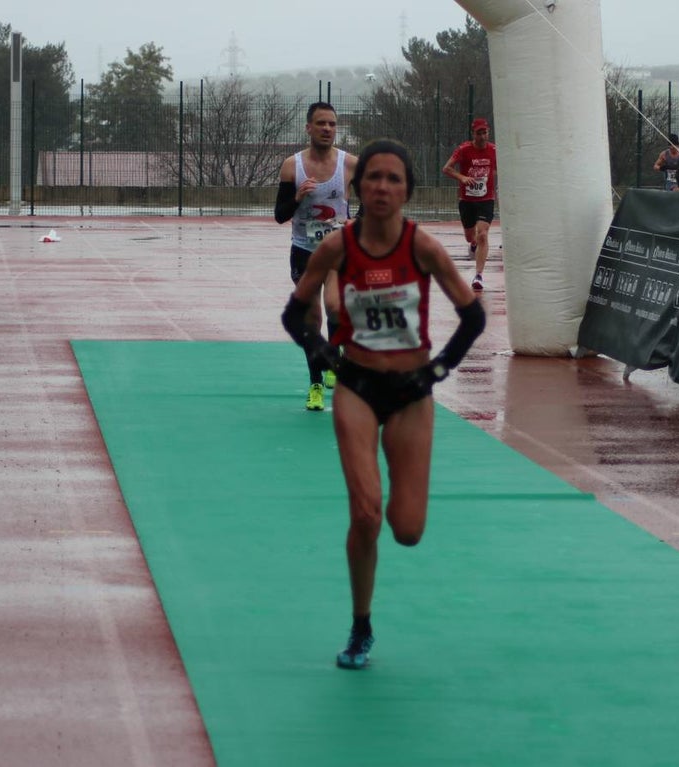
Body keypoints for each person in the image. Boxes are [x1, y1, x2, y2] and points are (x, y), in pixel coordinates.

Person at [281, 139, 486, 670]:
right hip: (357, 389)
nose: (382, 187)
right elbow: (294, 314)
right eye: (373, 177)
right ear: (358, 186)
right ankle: (361, 625)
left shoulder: (423, 247)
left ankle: (401, 494)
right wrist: (324, 355)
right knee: (366, 514)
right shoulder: (337, 248)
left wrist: (438, 370)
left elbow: (473, 317)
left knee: (407, 529)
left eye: (394, 179)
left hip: (412, 394)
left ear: (407, 191)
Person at [275, 101, 358, 411]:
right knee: (313, 318)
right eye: (321, 123)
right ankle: (315, 384)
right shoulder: (292, 166)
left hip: (337, 251)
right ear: (308, 128)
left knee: (335, 307)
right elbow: (279, 215)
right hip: (304, 251)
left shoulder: (350, 164)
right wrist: (297, 198)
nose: (327, 129)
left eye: (332, 124)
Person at [442, 117, 497, 291]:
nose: (482, 136)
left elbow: (501, 169)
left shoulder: (494, 150)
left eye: (485, 132)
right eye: (479, 133)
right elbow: (446, 168)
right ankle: (473, 244)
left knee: (483, 235)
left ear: (488, 132)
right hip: (467, 200)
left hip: (486, 199)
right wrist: (462, 177)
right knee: (470, 237)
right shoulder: (464, 149)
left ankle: (478, 276)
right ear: (473, 134)